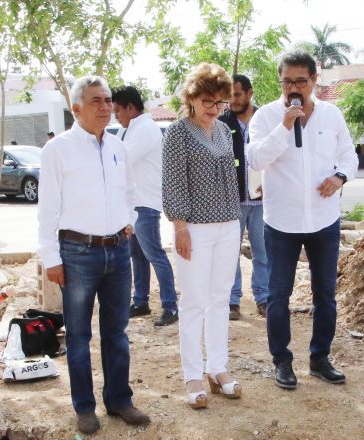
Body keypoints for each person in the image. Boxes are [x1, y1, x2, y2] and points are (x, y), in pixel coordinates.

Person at [37, 75, 150, 434]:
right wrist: (51, 258)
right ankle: (85, 407)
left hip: (117, 251)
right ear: (76, 108)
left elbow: (130, 192)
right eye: (96, 101)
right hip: (77, 252)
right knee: (79, 336)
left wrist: (128, 220)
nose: (105, 107)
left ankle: (119, 400)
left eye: (107, 100)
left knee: (116, 331)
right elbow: (47, 209)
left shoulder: (118, 146)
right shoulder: (58, 150)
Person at [248, 51, 355, 390]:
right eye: (287, 81)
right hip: (282, 222)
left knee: (326, 294)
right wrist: (285, 126)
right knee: (279, 296)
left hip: (324, 220)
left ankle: (320, 358)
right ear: (280, 82)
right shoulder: (266, 117)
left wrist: (339, 177)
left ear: (313, 81)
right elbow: (256, 160)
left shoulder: (331, 115)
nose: (293, 87)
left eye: (300, 81)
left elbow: (349, 155)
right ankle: (282, 361)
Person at [162, 63, 243, 409]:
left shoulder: (224, 132)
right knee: (194, 301)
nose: (214, 108)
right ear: (191, 98)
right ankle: (192, 374)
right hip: (193, 227)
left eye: (220, 102)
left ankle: (218, 368)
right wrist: (179, 225)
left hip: (228, 224)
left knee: (220, 299)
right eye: (208, 101)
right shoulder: (178, 134)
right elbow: (173, 183)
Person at [113, 85, 178, 327]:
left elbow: (122, 161)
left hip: (145, 203)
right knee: (137, 257)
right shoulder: (131, 129)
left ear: (130, 108)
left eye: (118, 111)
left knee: (155, 255)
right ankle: (140, 301)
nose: (116, 116)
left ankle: (171, 305)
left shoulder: (145, 128)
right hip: (134, 203)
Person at [220, 73, 268, 321]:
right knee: (230, 252)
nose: (233, 101)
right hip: (232, 201)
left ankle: (263, 297)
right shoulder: (221, 124)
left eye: (237, 95)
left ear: (250, 93)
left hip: (262, 201)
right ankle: (232, 301)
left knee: (263, 251)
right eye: (229, 96)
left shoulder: (264, 121)